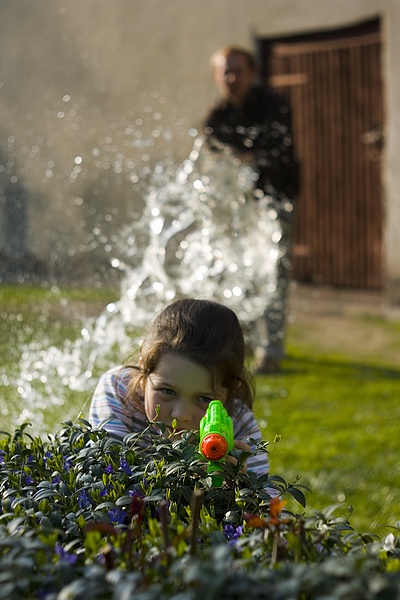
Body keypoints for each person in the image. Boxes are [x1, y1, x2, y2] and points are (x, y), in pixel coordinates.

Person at [89, 298, 270, 479]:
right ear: (144, 371)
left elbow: (267, 501)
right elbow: (109, 476)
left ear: (230, 392)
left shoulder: (239, 421)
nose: (181, 414)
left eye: (204, 399)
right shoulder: (118, 391)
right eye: (168, 391)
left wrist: (238, 487)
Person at [203, 46, 300, 373]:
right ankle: (239, 343)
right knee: (237, 270)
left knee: (274, 272)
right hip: (238, 207)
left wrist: (244, 160)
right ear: (217, 77)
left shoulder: (274, 106)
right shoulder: (215, 118)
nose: (232, 78)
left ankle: (271, 351)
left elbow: (280, 150)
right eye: (225, 72)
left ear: (251, 73)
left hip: (275, 200)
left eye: (238, 71)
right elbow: (214, 165)